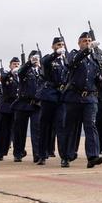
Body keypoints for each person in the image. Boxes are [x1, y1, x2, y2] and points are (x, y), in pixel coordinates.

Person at [61, 32, 102, 169]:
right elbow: (71, 63)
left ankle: (92, 156)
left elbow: (96, 78)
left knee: (90, 125)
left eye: (89, 40)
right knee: (71, 127)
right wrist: (86, 50)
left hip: (90, 98)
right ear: (79, 43)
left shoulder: (94, 59)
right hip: (74, 97)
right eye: (85, 41)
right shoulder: (73, 54)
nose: (87, 42)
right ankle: (67, 156)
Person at [38, 37, 69, 167]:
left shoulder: (66, 61)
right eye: (58, 44)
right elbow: (44, 62)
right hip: (49, 96)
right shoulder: (49, 58)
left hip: (61, 97)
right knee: (45, 126)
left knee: (61, 126)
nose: (60, 46)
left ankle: (65, 157)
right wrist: (56, 53)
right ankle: (42, 155)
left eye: (62, 44)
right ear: (53, 46)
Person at [13, 51, 42, 163]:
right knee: (20, 131)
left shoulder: (41, 71)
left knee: (37, 130)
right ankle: (18, 153)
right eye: (33, 58)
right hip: (23, 104)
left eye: (37, 58)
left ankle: (38, 154)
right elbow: (20, 72)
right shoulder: (25, 70)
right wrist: (29, 62)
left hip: (36, 104)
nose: (36, 60)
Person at [0, 58, 20, 160]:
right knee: (3, 131)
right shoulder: (6, 75)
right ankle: (0, 153)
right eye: (14, 64)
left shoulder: (21, 75)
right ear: (10, 65)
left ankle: (17, 154)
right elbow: (3, 78)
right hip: (6, 106)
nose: (16, 66)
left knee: (16, 131)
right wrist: (11, 73)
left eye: (18, 64)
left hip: (17, 106)